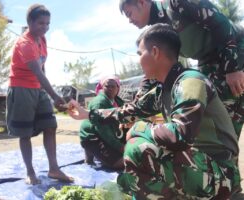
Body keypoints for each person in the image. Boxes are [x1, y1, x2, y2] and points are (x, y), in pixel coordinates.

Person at [67, 24, 240, 199]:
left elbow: (180, 135)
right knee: (127, 180)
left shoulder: (190, 82)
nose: (139, 60)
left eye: (140, 54)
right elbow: (129, 111)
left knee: (138, 148)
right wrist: (87, 114)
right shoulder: (165, 89)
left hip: (221, 172)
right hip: (198, 165)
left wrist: (139, 128)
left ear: (155, 52)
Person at [119, 0, 244, 138]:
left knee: (226, 123)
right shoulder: (158, 29)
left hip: (234, 52)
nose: (130, 20)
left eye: (129, 14)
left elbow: (221, 23)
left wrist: (232, 68)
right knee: (215, 122)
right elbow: (158, 65)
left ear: (141, 2)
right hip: (207, 62)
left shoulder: (176, 3)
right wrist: (138, 100)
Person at [6, 4, 73, 185]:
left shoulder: (42, 40)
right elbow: (37, 71)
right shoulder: (25, 43)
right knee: (25, 133)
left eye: (47, 24)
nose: (45, 28)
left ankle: (54, 168)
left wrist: (47, 91)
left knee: (50, 125)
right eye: (40, 23)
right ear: (30, 22)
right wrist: (55, 96)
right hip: (21, 89)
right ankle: (30, 172)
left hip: (38, 88)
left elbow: (43, 68)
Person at [80, 76, 126, 169]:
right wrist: (122, 148)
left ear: (118, 88)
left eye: (113, 86)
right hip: (93, 136)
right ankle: (91, 151)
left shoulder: (117, 101)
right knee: (120, 163)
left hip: (109, 133)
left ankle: (93, 155)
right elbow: (103, 131)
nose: (110, 89)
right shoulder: (99, 103)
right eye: (107, 86)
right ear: (102, 87)